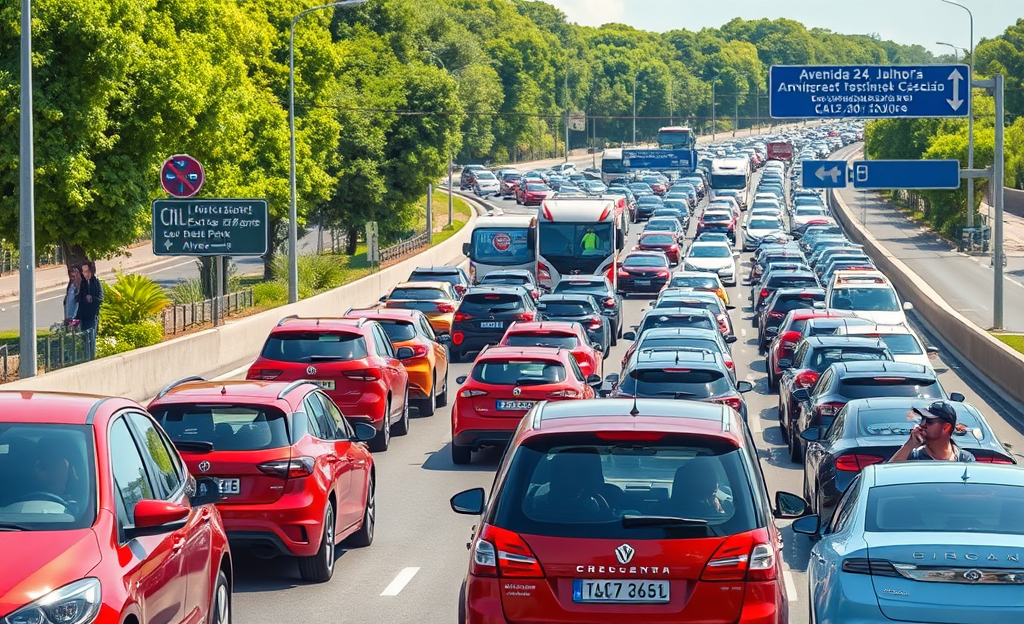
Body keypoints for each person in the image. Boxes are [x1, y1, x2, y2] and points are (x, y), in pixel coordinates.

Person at [888, 400, 975, 463]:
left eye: (929, 421)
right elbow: (888, 475)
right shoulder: (913, 458)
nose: (922, 424)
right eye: (922, 419)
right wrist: (910, 444)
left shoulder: (965, 460)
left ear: (946, 428)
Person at [76, 260, 104, 360]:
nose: (86, 274)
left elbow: (101, 298)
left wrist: (92, 298)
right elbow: (77, 299)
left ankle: (91, 358)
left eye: (87, 271)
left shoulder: (96, 283)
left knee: (91, 339)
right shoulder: (81, 284)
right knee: (84, 340)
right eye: (83, 272)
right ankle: (85, 358)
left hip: (92, 315)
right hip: (83, 316)